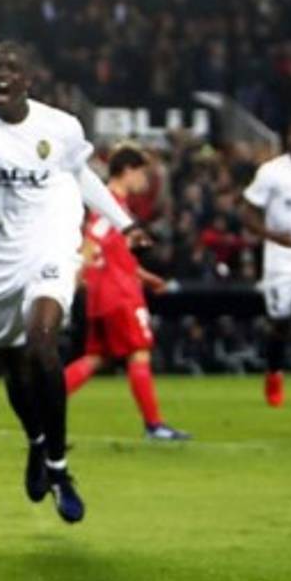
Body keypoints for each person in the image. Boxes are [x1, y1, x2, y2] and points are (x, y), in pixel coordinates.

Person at [0, 40, 149, 524]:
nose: (0, 73)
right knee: (16, 367)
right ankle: (36, 442)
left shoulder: (60, 127)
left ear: (28, 79)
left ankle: (60, 467)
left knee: (44, 341)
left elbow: (80, 176)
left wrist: (125, 224)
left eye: (10, 67)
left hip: (51, 248)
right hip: (0, 262)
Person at [64, 146, 190, 440]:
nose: (146, 180)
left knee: (95, 358)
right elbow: (91, 245)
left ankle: (44, 402)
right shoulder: (112, 207)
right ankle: (154, 425)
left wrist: (147, 278)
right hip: (119, 295)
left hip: (103, 294)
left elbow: (116, 255)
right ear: (128, 171)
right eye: (142, 173)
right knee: (139, 353)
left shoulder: (112, 206)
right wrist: (69, 285)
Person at [241, 115, 291, 406]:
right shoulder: (272, 172)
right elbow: (248, 213)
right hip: (281, 258)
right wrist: (273, 236)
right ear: (288, 138)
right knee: (281, 321)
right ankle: (274, 372)